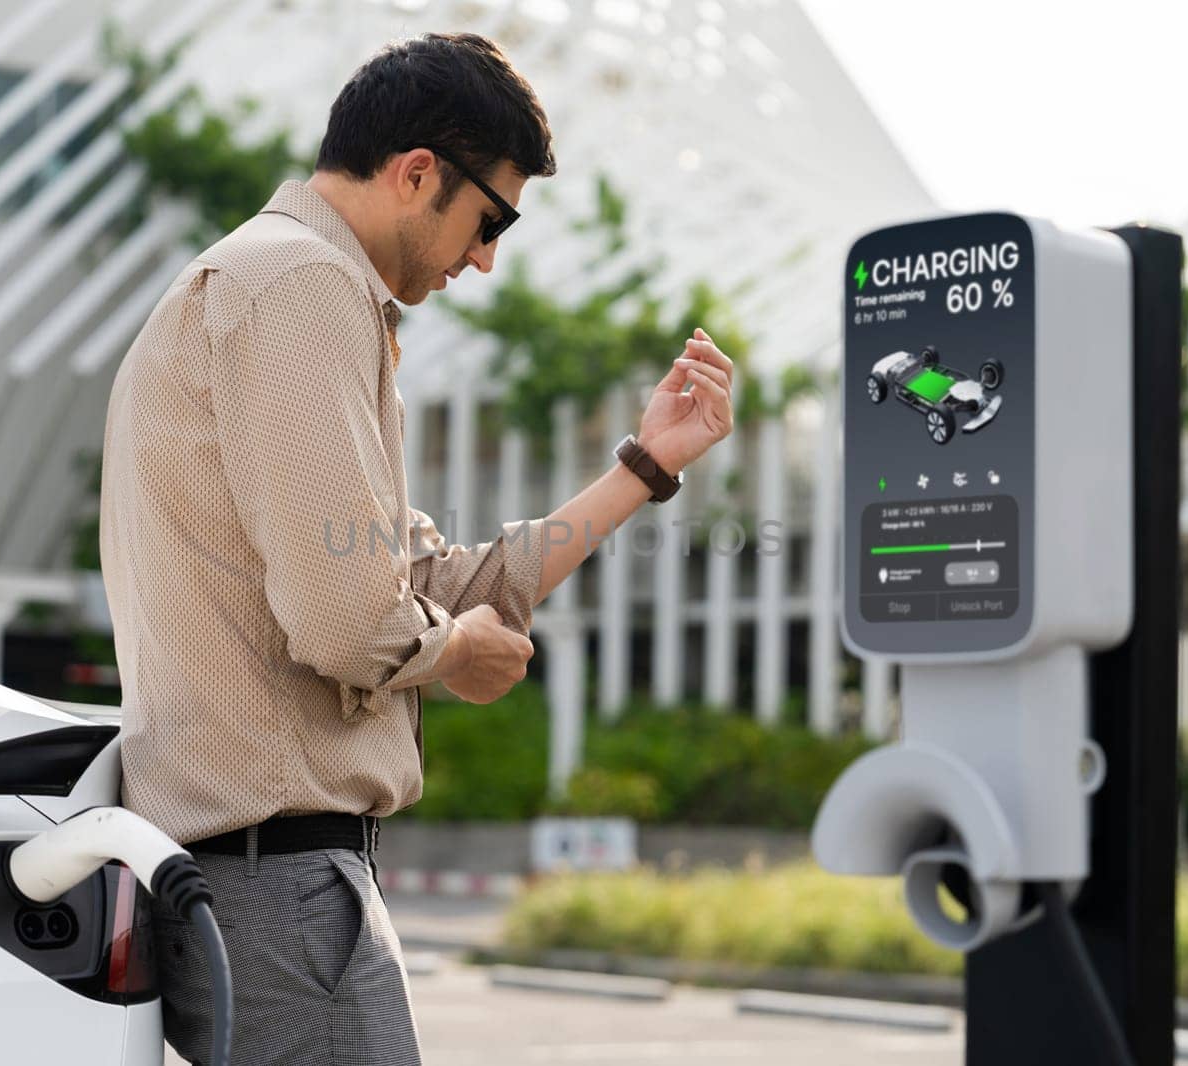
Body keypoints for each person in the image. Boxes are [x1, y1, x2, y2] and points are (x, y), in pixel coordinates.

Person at [98, 30, 735, 1066]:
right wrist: (456, 656)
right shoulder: (299, 285)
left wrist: (644, 468)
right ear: (417, 174)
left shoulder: (262, 284)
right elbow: (354, 620)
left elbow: (421, 582)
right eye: (491, 223)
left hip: (257, 886)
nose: (484, 261)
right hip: (283, 891)